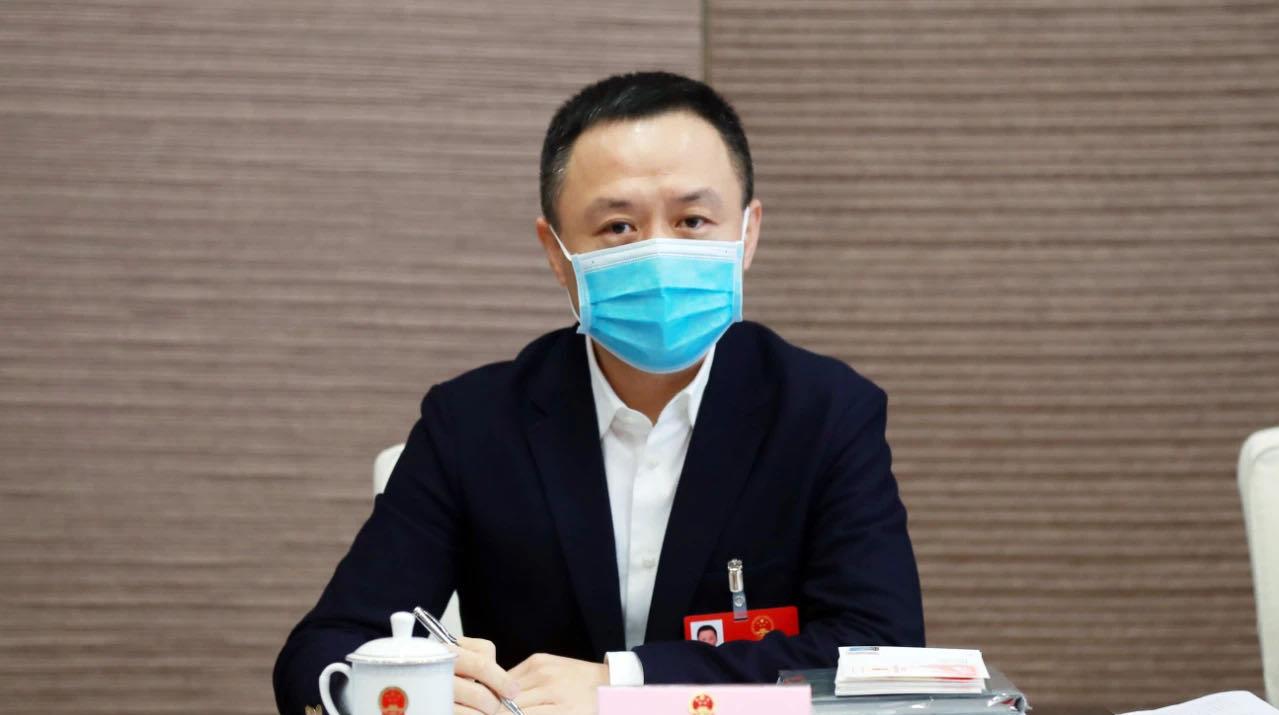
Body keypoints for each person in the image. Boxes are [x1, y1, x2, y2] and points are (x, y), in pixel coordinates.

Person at [274, 71, 924, 715]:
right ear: (556, 253)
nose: (659, 253)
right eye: (618, 227)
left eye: (693, 220)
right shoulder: (471, 424)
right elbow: (322, 651)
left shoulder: (825, 413)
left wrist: (626, 685)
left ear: (747, 233)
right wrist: (394, 692)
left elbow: (881, 649)